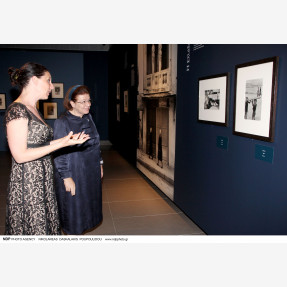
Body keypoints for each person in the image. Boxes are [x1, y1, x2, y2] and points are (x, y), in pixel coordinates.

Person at [4, 62, 89, 235]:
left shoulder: (33, 109)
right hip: (28, 186)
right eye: (48, 81)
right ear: (34, 80)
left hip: (43, 182)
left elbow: (39, 146)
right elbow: (20, 155)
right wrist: (62, 144)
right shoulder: (17, 110)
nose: (51, 86)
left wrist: (65, 141)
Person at [53, 85, 103, 235]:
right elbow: (59, 151)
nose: (88, 104)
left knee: (88, 206)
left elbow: (96, 142)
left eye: (89, 101)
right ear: (72, 103)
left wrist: (100, 163)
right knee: (73, 212)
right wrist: (66, 177)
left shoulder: (88, 117)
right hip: (73, 170)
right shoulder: (62, 122)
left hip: (90, 170)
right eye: (83, 102)